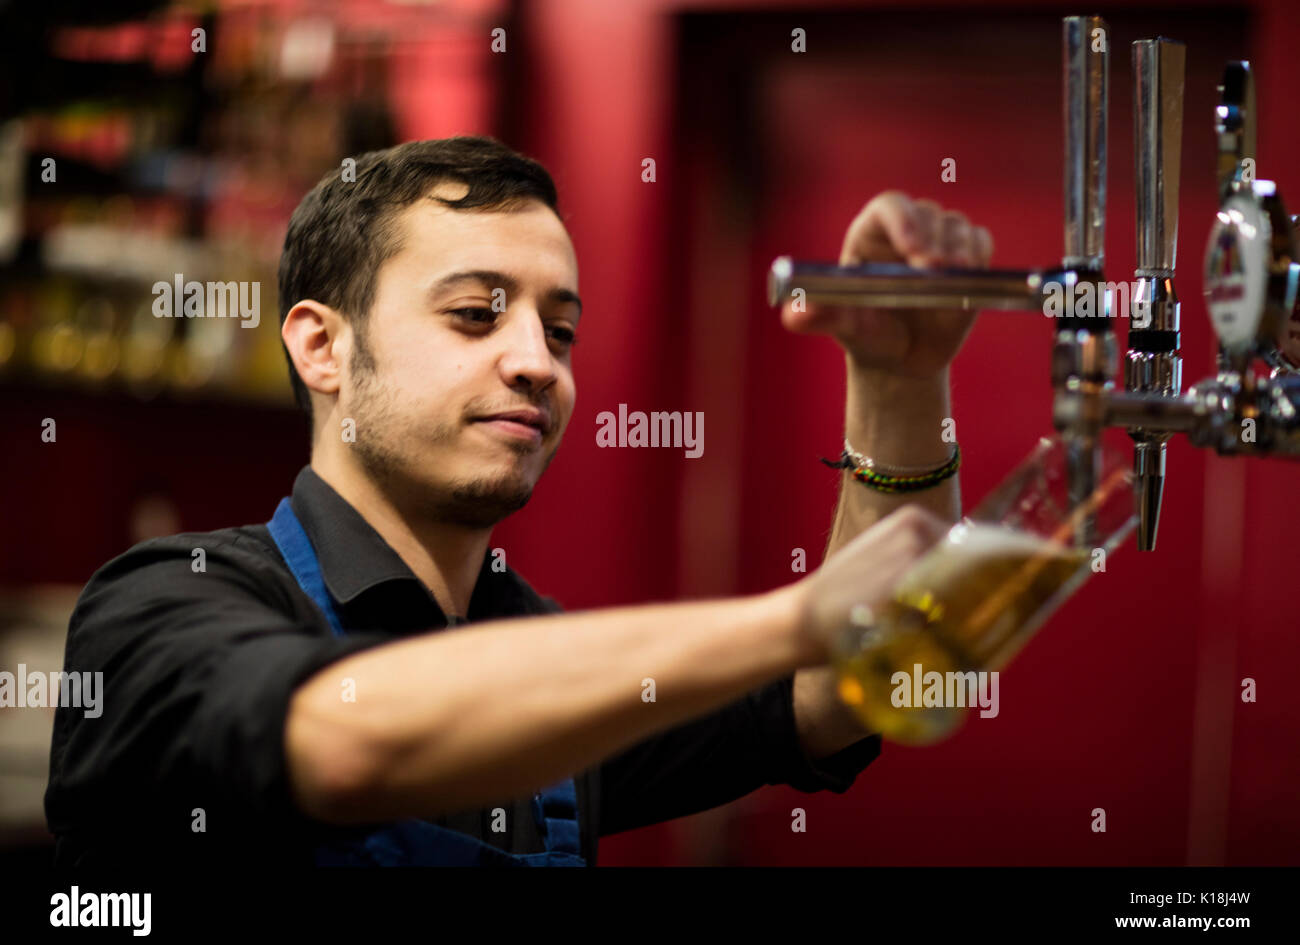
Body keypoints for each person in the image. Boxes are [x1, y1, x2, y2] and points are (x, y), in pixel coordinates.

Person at [44, 136, 993, 866]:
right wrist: (789, 621)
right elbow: (343, 740)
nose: (538, 363)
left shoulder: (543, 660)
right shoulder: (163, 603)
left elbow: (859, 684)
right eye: (474, 313)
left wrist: (899, 381)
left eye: (562, 328)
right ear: (320, 347)